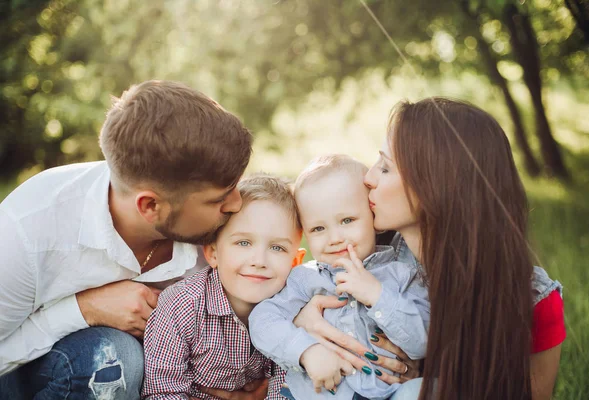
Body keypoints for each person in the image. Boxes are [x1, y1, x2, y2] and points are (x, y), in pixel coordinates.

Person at [290, 98, 565, 400]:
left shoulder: (532, 300)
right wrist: (304, 320)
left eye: (385, 168)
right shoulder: (362, 256)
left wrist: (427, 375)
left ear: (433, 186)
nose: (368, 178)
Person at [0, 80, 259, 399]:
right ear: (150, 206)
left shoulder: (219, 217)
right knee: (112, 359)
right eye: (218, 198)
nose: (236, 203)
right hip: (28, 369)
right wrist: (84, 309)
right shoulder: (27, 232)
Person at [250, 155, 430, 400]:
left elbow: (422, 342)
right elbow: (262, 320)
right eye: (318, 228)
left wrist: (378, 295)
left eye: (347, 220)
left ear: (374, 219)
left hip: (385, 392)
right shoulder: (305, 279)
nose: (334, 237)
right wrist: (306, 351)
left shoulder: (401, 275)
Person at [141, 174, 305, 400]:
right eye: (243, 243)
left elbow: (286, 388)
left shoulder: (294, 311)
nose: (259, 260)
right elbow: (162, 391)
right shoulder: (183, 306)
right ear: (212, 252)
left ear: (295, 262)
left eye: (277, 248)